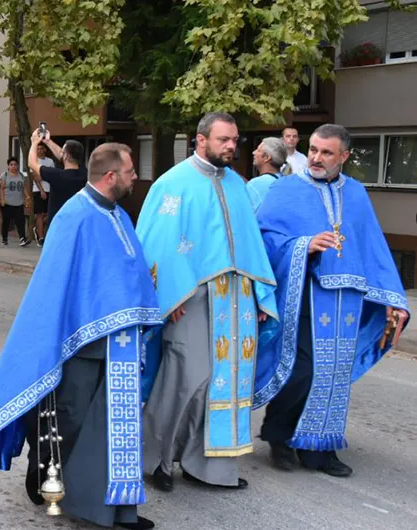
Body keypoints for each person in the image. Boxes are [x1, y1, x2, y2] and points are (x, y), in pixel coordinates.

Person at [0, 143, 160, 530]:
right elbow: (54, 286)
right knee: (69, 422)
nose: (134, 176)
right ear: (110, 177)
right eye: (130, 171)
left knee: (107, 427)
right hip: (82, 343)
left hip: (118, 344)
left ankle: (106, 503)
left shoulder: (119, 215)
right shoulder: (75, 216)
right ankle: (44, 476)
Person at [255, 124, 409, 478]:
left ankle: (319, 448)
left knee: (335, 374)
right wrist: (303, 246)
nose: (316, 158)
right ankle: (279, 438)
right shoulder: (287, 190)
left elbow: (372, 247)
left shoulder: (355, 193)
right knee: (304, 369)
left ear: (344, 156)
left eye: (326, 152)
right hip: (304, 294)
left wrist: (392, 298)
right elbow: (265, 239)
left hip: (348, 301)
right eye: (313, 149)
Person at [136, 112, 279, 491]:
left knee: (227, 384)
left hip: (236, 299)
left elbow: (251, 244)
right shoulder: (172, 184)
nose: (232, 146)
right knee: (185, 378)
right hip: (191, 297)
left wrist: (260, 295)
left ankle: (211, 468)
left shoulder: (237, 184)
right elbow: (157, 242)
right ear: (200, 140)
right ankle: (156, 461)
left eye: (235, 140)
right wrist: (169, 294)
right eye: (223, 140)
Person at [28, 131, 88, 225]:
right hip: (77, 223)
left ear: (66, 156)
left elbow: (32, 163)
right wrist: (47, 141)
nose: (61, 153)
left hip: (58, 226)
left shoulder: (57, 175)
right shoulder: (85, 174)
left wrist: (34, 142)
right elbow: (63, 155)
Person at [246, 137, 288, 212]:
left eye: (258, 150)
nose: (254, 152)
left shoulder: (255, 184)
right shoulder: (286, 182)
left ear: (267, 157)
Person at [0, 158, 31, 247]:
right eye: (11, 164)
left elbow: (24, 187)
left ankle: (22, 238)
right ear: (8, 166)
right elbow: (1, 189)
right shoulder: (4, 175)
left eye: (15, 164)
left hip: (19, 203)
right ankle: (4, 238)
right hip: (7, 203)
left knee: (20, 221)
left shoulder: (21, 175)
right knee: (6, 222)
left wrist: (27, 196)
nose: (13, 166)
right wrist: (2, 199)